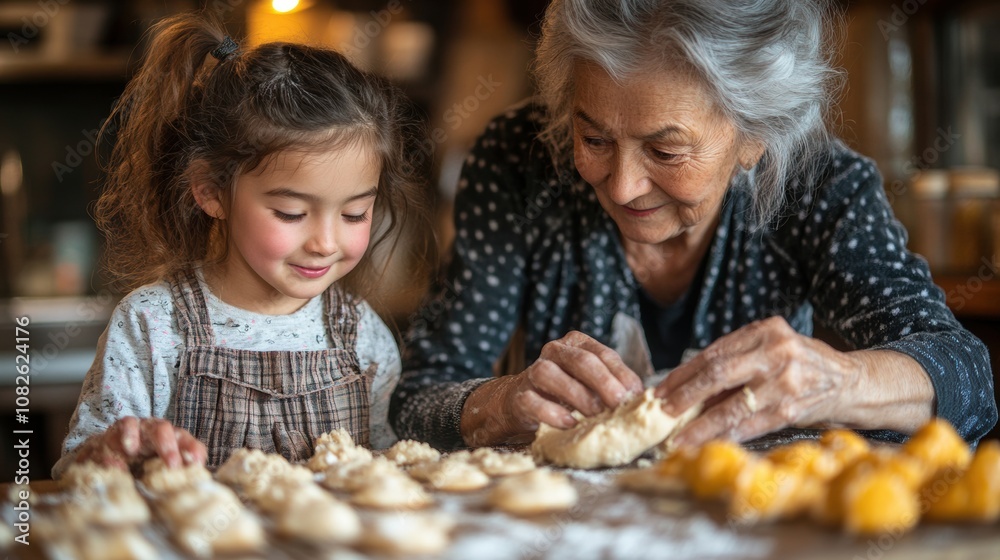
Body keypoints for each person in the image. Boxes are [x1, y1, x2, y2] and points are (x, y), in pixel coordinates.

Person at [390, 0, 997, 451]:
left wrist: (835, 379)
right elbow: (417, 398)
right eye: (594, 137)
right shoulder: (519, 161)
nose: (623, 185)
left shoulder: (818, 184)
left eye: (667, 151)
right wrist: (499, 401)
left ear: (754, 136)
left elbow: (966, 379)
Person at [53, 12, 431, 478]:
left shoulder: (363, 335)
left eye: (355, 214)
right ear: (211, 191)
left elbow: (387, 474)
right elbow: (78, 471)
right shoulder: (154, 325)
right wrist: (118, 453)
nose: (326, 242)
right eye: (291, 213)